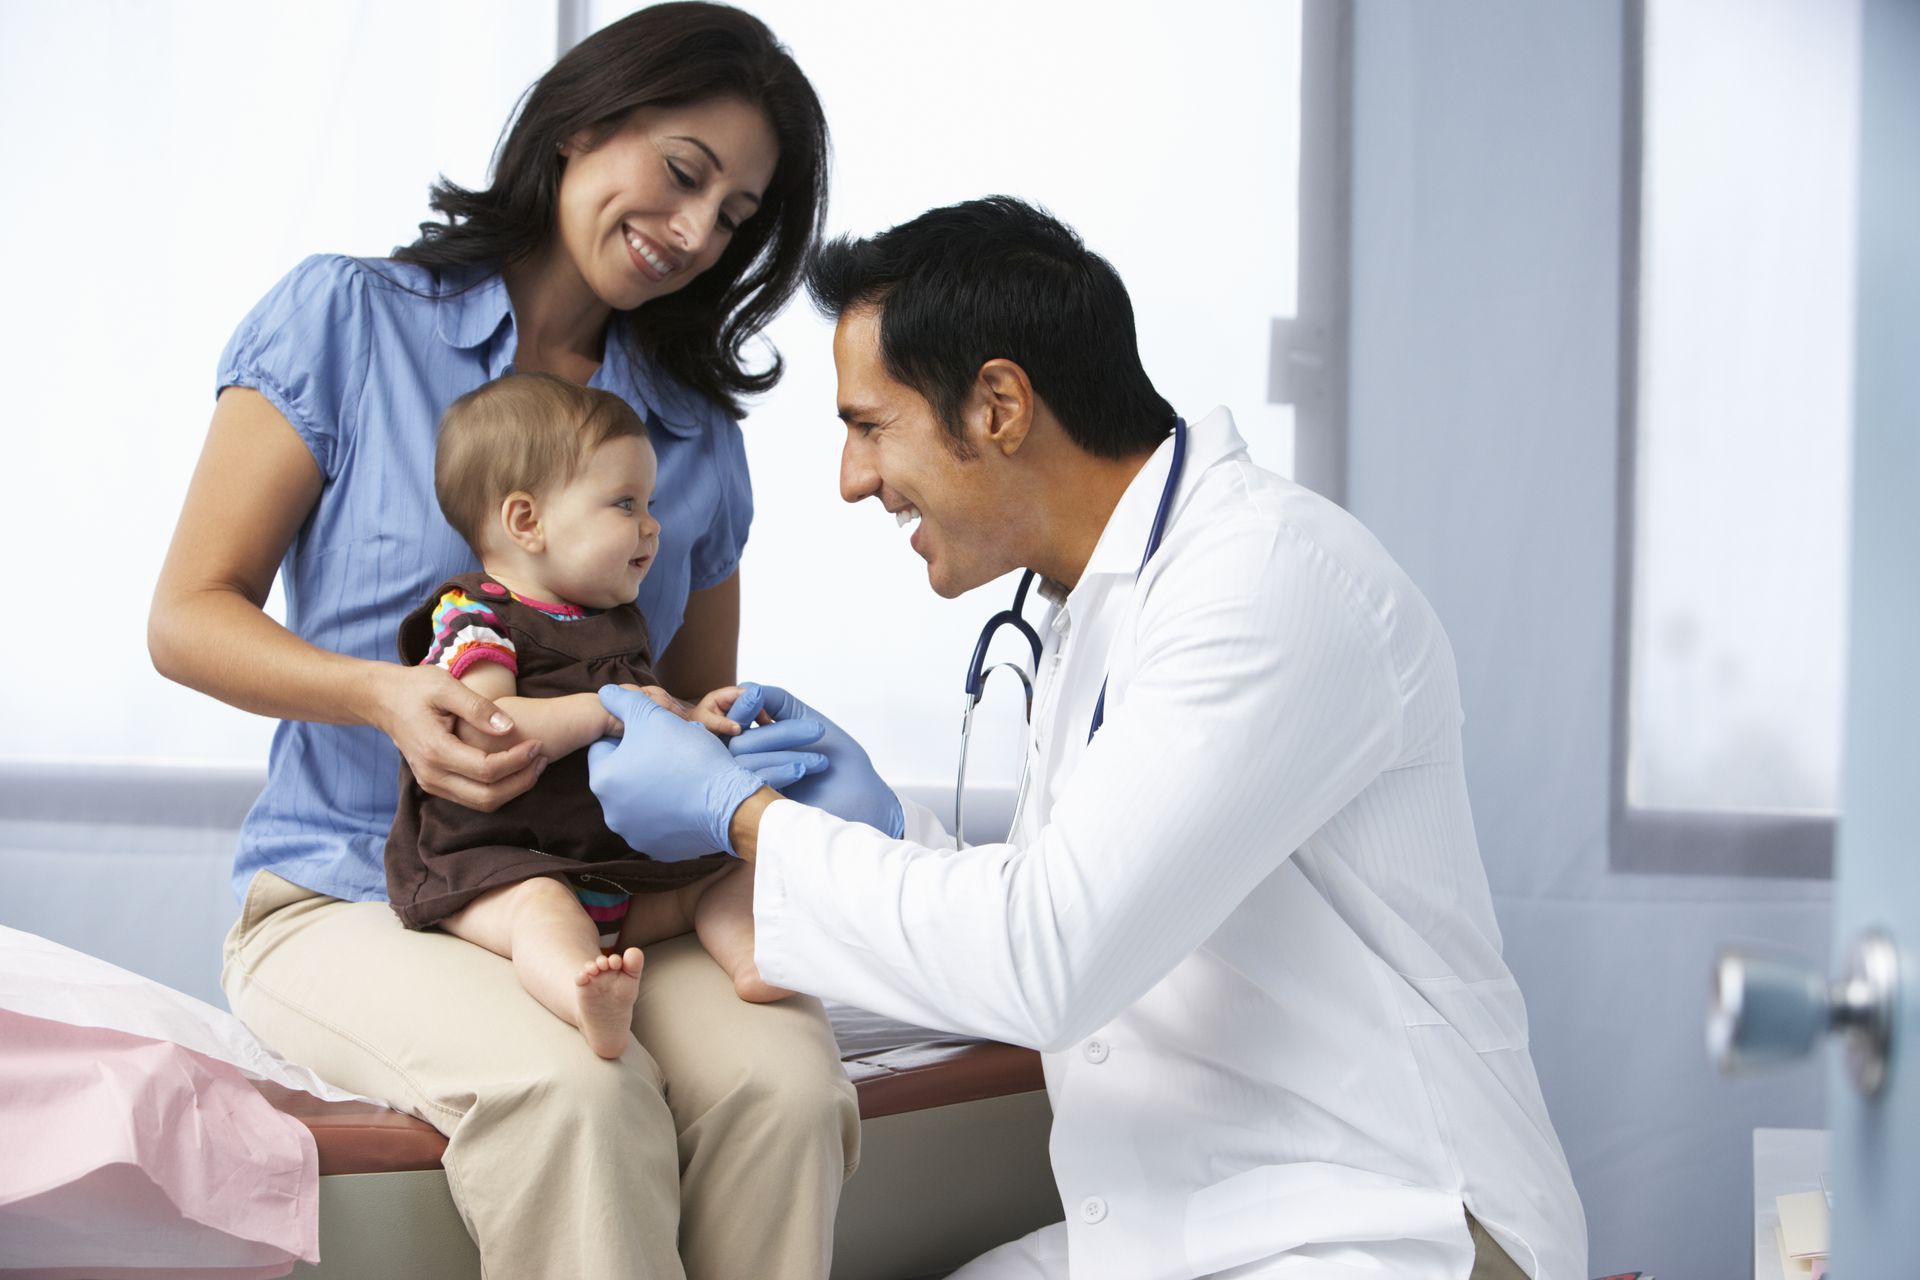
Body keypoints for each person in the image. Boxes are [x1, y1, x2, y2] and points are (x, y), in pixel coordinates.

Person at [586, 197, 1591, 1279]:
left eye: (871, 425)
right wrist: (883, 827)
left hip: (1385, 1232)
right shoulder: (1096, 605)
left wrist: (744, 818)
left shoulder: (1267, 581)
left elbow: (1050, 956)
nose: (853, 477)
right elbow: (1073, 900)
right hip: (1185, 1232)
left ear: (1001, 406)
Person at [147, 6, 854, 1277]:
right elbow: (188, 614)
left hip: (610, 893)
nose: (695, 233)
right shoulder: (346, 321)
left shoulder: (693, 436)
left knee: (792, 1086)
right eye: (686, 174)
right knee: (576, 1098)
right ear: (582, 122)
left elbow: (684, 717)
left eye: (736, 217)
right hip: (349, 887)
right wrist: (383, 695)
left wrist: (741, 743)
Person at [387, 372, 798, 1061]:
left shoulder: (614, 623)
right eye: (625, 503)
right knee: (542, 915)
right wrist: (606, 711)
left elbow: (646, 718)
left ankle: (751, 957)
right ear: (527, 521)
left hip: (618, 869)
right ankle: (583, 995)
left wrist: (694, 716)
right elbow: (487, 722)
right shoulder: (474, 616)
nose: (652, 525)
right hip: (499, 863)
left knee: (732, 868)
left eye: (652, 503)